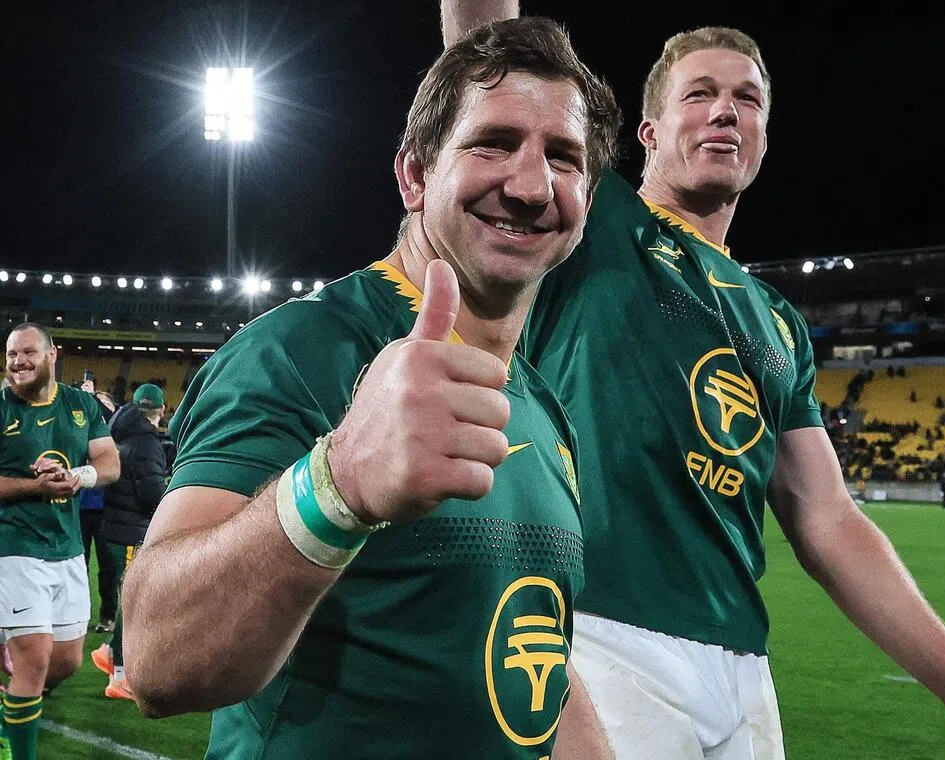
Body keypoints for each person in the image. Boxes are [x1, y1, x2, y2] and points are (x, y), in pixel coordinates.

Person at [442, 5, 945, 760]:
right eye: (698, 94)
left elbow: (828, 519)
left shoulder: (779, 323)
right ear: (648, 134)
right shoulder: (597, 226)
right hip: (598, 631)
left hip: (741, 664)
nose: (725, 109)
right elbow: (486, 56)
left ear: (762, 137)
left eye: (747, 99)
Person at [123, 17, 620, 760]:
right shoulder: (298, 351)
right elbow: (156, 660)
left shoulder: (546, 409)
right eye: (493, 144)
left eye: (564, 156)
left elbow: (539, 657)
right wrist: (338, 483)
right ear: (415, 175)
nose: (529, 185)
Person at [0, 323, 120, 760]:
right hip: (14, 546)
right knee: (33, 658)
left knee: (66, 662)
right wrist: (36, 489)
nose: (18, 361)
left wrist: (78, 478)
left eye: (28, 352)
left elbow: (109, 462)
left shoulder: (80, 403)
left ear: (53, 355)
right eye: (12, 354)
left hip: (66, 548)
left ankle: (8, 711)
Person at [90, 384, 169, 701]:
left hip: (113, 525)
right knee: (133, 603)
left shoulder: (118, 432)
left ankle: (110, 652)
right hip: (130, 530)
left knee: (129, 599)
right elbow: (151, 493)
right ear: (160, 411)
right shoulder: (147, 443)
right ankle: (119, 674)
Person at [77, 378, 119, 634]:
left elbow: (106, 415)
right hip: (79, 508)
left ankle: (107, 616)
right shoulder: (83, 430)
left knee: (107, 569)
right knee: (77, 565)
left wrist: (91, 398)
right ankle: (76, 616)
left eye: (104, 402)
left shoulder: (115, 426)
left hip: (106, 509)